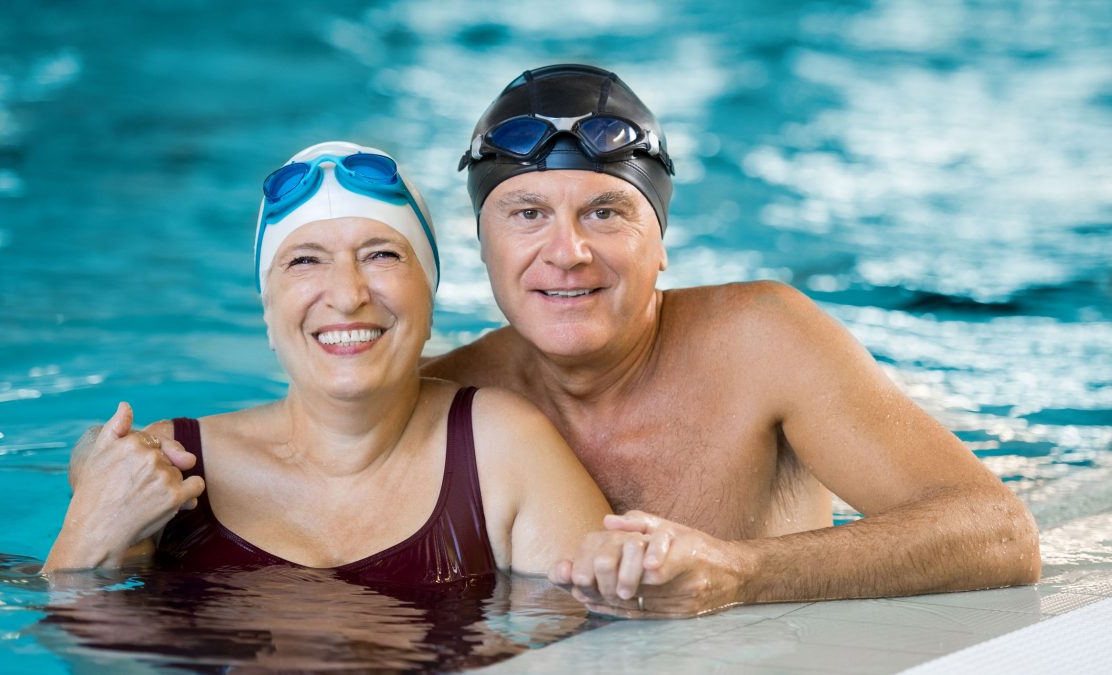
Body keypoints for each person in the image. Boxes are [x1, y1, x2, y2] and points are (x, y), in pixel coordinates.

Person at [68, 65, 1041, 618]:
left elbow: (998, 533)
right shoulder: (453, 403)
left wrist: (743, 573)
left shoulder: (761, 338)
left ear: (662, 243)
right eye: (525, 212)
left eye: (609, 213)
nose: (565, 252)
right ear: (481, 251)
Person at [44, 141, 610, 585]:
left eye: (381, 255)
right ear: (268, 314)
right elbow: (75, 648)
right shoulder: (169, 472)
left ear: (430, 299)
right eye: (305, 261)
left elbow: (611, 647)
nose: (346, 294)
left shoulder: (502, 450)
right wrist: (86, 535)